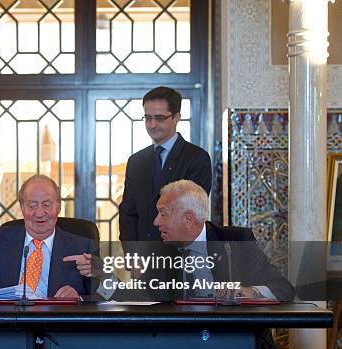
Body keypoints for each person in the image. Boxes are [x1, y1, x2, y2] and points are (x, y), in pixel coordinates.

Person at [151, 179, 294, 302]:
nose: (156, 222)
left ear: (189, 219)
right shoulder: (160, 249)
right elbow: (145, 298)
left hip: (231, 331)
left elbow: (284, 289)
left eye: (163, 214)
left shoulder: (235, 241)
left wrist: (251, 292)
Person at [0, 174, 94, 300]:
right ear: (22, 208)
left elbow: (112, 297)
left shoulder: (82, 247)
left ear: (58, 207)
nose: (40, 213)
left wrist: (81, 297)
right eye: (32, 205)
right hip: (7, 321)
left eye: (46, 204)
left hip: (56, 323)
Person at [119, 86, 212, 242]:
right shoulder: (136, 161)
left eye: (159, 118)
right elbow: (128, 212)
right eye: (148, 118)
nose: (152, 124)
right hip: (142, 259)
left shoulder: (196, 158)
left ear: (176, 117)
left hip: (180, 256)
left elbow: (192, 213)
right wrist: (131, 254)